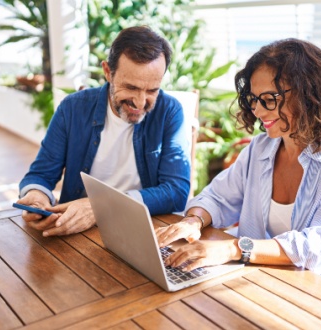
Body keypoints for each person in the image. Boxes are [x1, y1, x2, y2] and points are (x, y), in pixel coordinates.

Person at [156, 38, 321, 301]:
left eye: (269, 99)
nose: (258, 110)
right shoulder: (261, 148)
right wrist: (193, 222)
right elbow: (218, 197)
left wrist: (233, 249)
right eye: (254, 99)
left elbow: (313, 249)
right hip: (271, 287)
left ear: (308, 93)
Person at [17, 26, 191, 237]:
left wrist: (101, 207)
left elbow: (176, 192)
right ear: (108, 72)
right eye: (131, 87)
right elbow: (41, 174)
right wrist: (37, 196)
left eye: (152, 90)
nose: (140, 102)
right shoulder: (72, 108)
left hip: (142, 229)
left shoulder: (169, 111)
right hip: (77, 230)